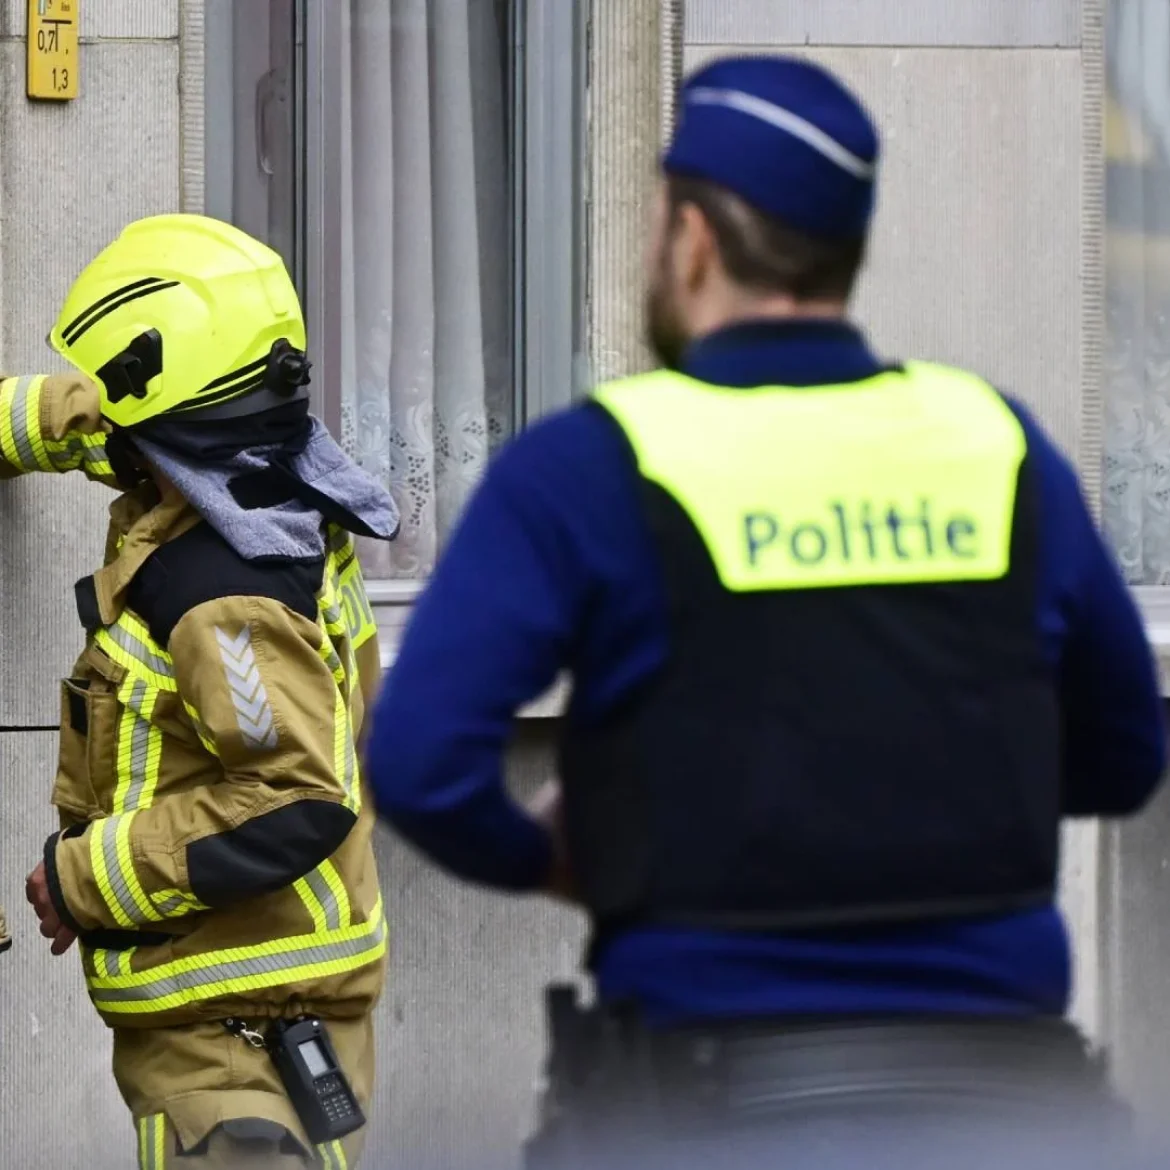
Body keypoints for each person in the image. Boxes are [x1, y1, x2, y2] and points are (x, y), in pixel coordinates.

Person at [365, 53, 1167, 1169]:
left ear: (693, 240)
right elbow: (1126, 756)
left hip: (705, 1114)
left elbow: (419, 762)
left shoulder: (595, 464)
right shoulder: (999, 445)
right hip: (1018, 1111)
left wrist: (564, 854)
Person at [18, 214, 394, 1169]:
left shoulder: (223, 594)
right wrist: (31, 417)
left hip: (239, 1041)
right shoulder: (263, 475)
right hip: (251, 1003)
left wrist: (83, 878)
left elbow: (295, 796)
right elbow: (111, 428)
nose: (106, 424)